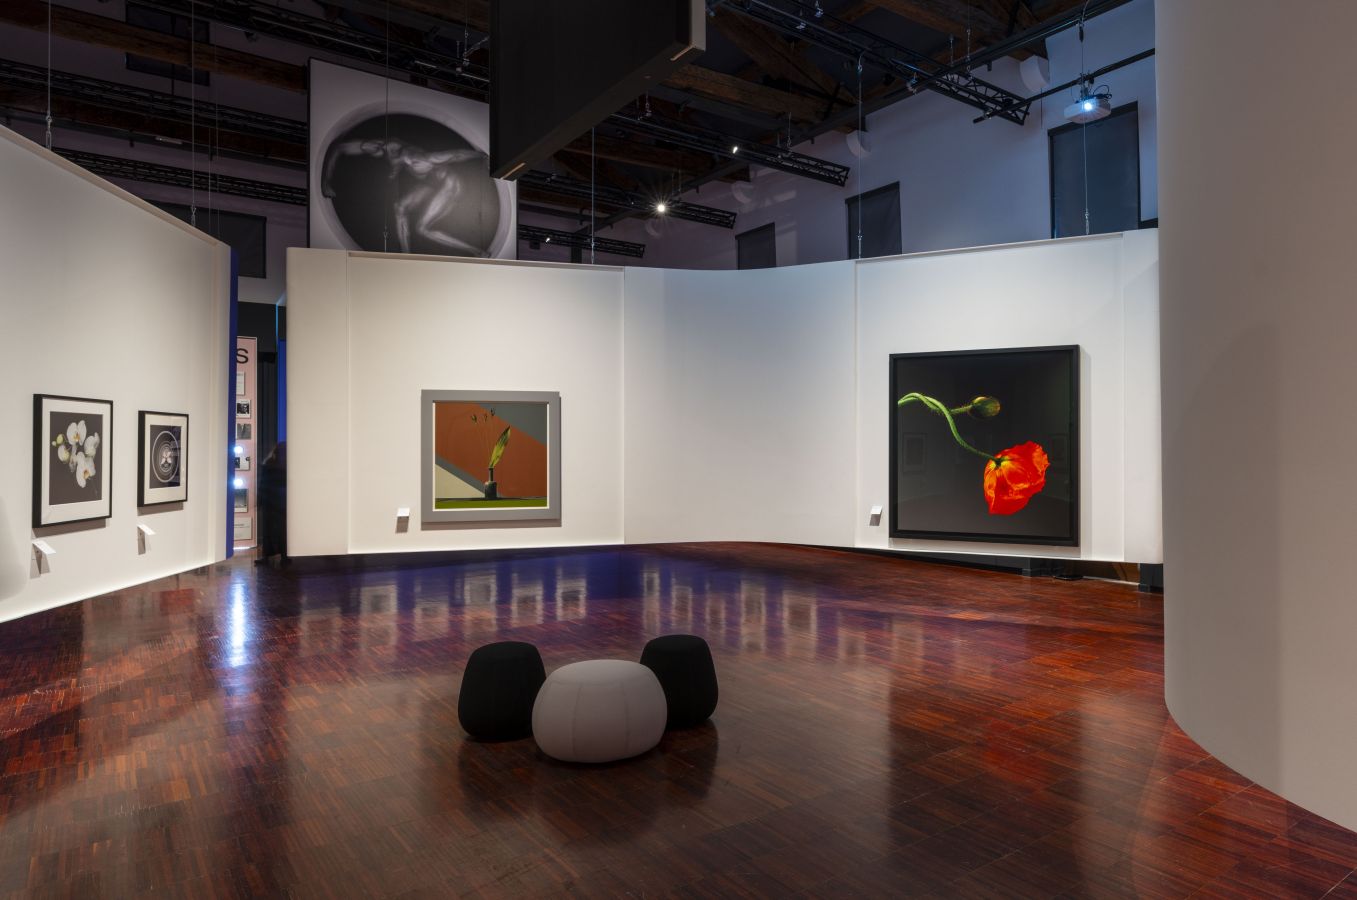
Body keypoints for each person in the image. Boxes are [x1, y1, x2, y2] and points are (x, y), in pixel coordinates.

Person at [321, 136, 489, 256]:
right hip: (429, 183)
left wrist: (483, 156)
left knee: (423, 229)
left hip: (449, 186)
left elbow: (456, 154)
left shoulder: (419, 159)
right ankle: (406, 256)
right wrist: (326, 182)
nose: (377, 150)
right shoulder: (387, 149)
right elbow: (340, 148)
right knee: (400, 208)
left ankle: (477, 251)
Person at [256, 441, 287, 563]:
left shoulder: (269, 463)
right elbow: (263, 484)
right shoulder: (273, 464)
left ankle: (271, 556)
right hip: (277, 502)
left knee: (272, 530)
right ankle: (282, 556)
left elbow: (263, 484)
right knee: (279, 530)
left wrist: (260, 500)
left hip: (273, 502)